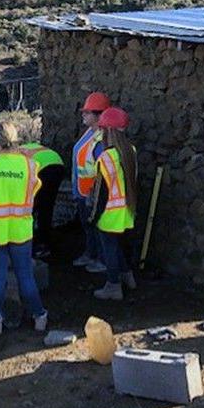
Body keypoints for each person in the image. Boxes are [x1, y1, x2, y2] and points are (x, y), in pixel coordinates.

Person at [0, 122, 48, 335]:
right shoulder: (29, 165)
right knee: (25, 276)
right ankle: (39, 316)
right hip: (21, 229)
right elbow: (33, 191)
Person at [89, 107, 137, 301]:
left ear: (108, 131)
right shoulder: (130, 151)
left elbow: (101, 192)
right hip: (126, 209)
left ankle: (113, 285)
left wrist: (93, 215)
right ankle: (128, 276)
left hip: (109, 211)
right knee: (117, 245)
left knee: (109, 248)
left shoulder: (106, 157)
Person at [72, 91, 110, 273]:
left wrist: (96, 193)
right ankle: (91, 253)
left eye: (87, 112)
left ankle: (102, 260)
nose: (83, 115)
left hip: (94, 193)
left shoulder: (102, 139)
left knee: (98, 227)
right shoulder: (89, 132)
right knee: (88, 226)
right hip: (83, 190)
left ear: (98, 115)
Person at [18, 142, 64, 258]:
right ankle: (44, 242)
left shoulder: (13, 156)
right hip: (58, 163)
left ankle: (38, 244)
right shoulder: (28, 146)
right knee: (47, 207)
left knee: (35, 208)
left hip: (44, 169)